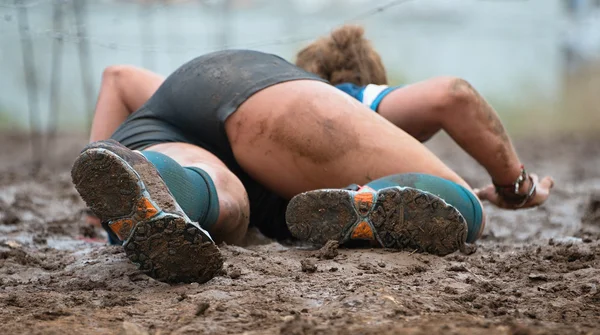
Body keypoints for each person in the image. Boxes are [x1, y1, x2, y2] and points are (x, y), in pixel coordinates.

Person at [72, 26, 554, 284]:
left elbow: (119, 76)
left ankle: (154, 184)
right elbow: (453, 94)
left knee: (223, 201)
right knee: (465, 210)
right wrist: (515, 183)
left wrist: (95, 214)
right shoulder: (355, 95)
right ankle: (367, 201)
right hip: (266, 101)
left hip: (179, 100)